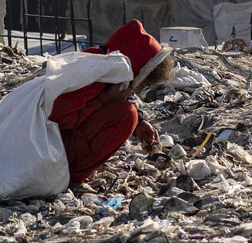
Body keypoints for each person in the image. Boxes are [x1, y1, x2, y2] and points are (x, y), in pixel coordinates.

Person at [48, 20, 175, 186]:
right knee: (127, 115)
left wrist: (141, 123)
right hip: (51, 148)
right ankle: (72, 177)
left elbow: (124, 93)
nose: (139, 91)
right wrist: (106, 100)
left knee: (132, 114)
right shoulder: (93, 74)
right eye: (143, 84)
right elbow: (60, 119)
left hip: (62, 144)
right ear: (137, 71)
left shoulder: (111, 71)